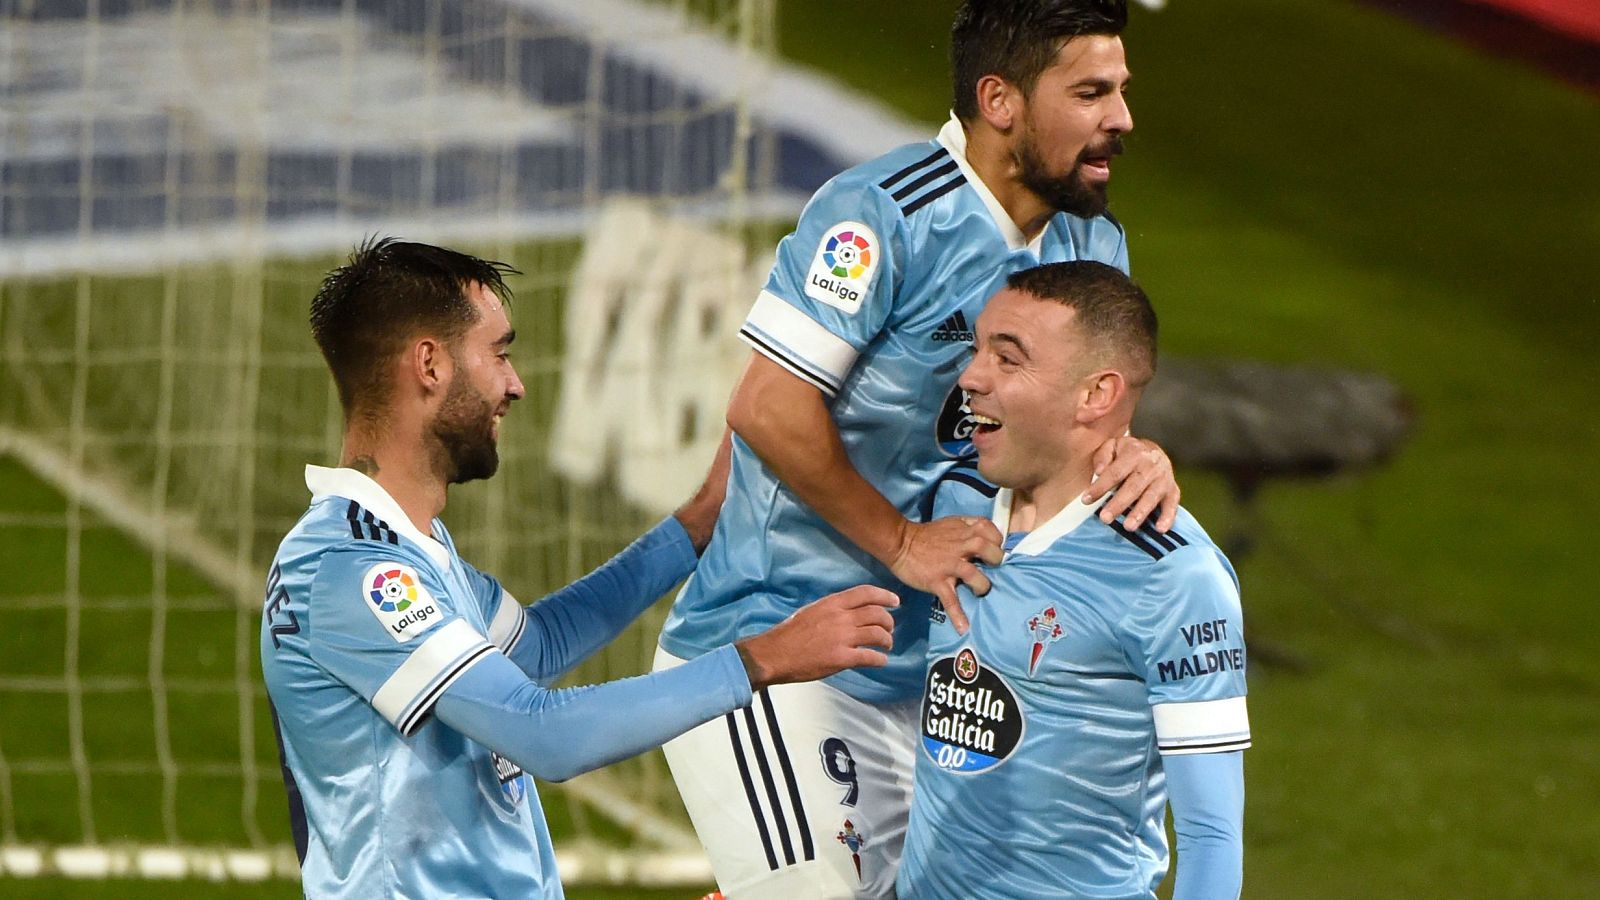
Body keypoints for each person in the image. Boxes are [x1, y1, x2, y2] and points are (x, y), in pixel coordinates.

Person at [655, 1, 1182, 896]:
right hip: (776, 649)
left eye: (1121, 91)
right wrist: (901, 542)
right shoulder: (881, 217)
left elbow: (1081, 434)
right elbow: (770, 406)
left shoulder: (1093, 242)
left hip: (946, 674)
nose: (1121, 118)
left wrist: (1135, 455)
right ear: (1000, 100)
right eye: (1091, 92)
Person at [259, 238, 899, 899]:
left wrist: (696, 524)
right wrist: (764, 658)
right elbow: (546, 733)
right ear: (429, 365)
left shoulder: (407, 548)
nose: (515, 384)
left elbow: (539, 646)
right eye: (499, 353)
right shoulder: (351, 571)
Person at [897, 261, 1249, 900]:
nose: (970, 377)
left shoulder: (1173, 575)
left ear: (1096, 395)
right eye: (978, 350)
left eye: (1008, 360)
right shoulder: (953, 500)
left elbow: (1211, 838)